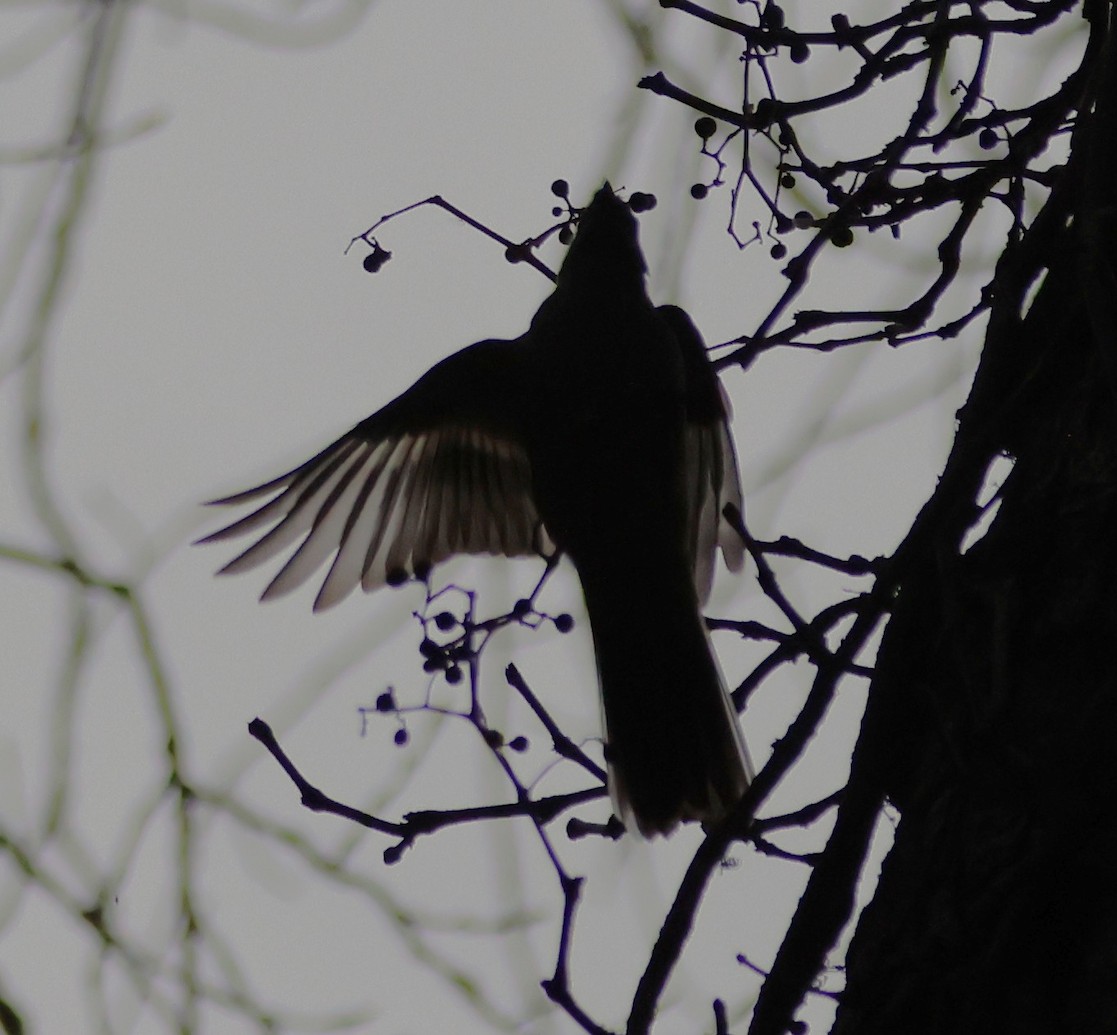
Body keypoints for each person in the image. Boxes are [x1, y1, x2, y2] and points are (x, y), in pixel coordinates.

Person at [200, 184, 751, 836]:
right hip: (645, 547)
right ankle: (698, 783)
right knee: (655, 637)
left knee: (645, 637)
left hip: (632, 550)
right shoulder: (594, 351)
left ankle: (680, 784)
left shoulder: (605, 347)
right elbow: (705, 472)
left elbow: (705, 454)